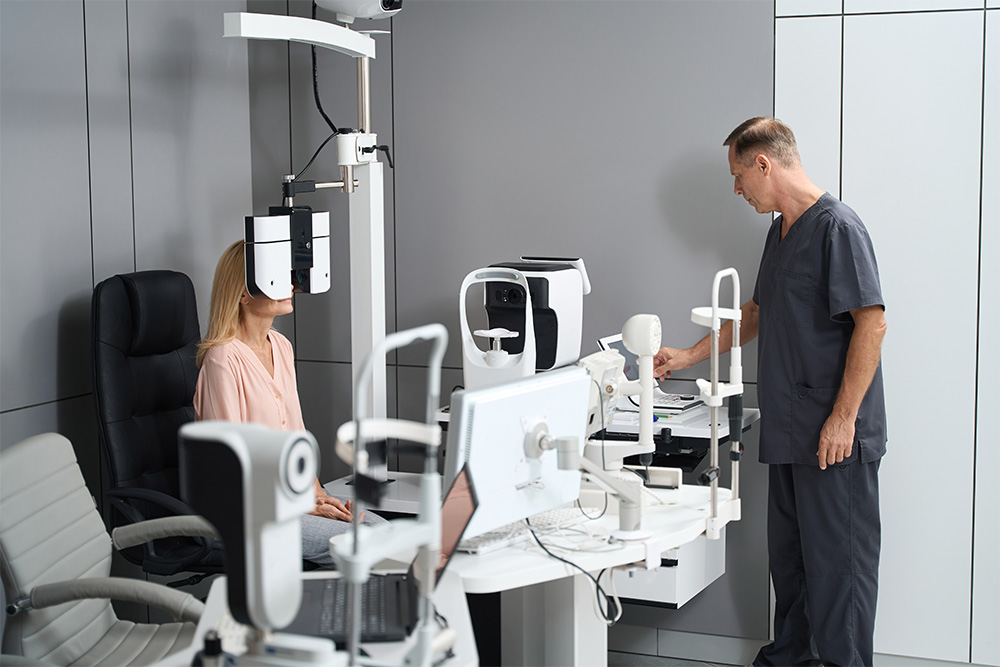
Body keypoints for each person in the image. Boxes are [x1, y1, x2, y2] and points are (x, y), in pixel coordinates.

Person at [654, 117, 887, 666]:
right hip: (790, 432)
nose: (737, 190)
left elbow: (871, 324)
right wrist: (688, 356)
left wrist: (843, 417)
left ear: (765, 163)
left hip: (833, 439)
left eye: (739, 176)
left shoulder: (838, 228)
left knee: (839, 575)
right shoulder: (779, 231)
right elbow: (757, 312)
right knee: (793, 568)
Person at [194, 240, 387, 568]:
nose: (292, 285)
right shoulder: (223, 359)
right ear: (242, 293)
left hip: (288, 500)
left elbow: (295, 433)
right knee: (363, 546)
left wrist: (317, 493)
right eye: (275, 277)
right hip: (244, 512)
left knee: (383, 532)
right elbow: (228, 468)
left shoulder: (281, 346)